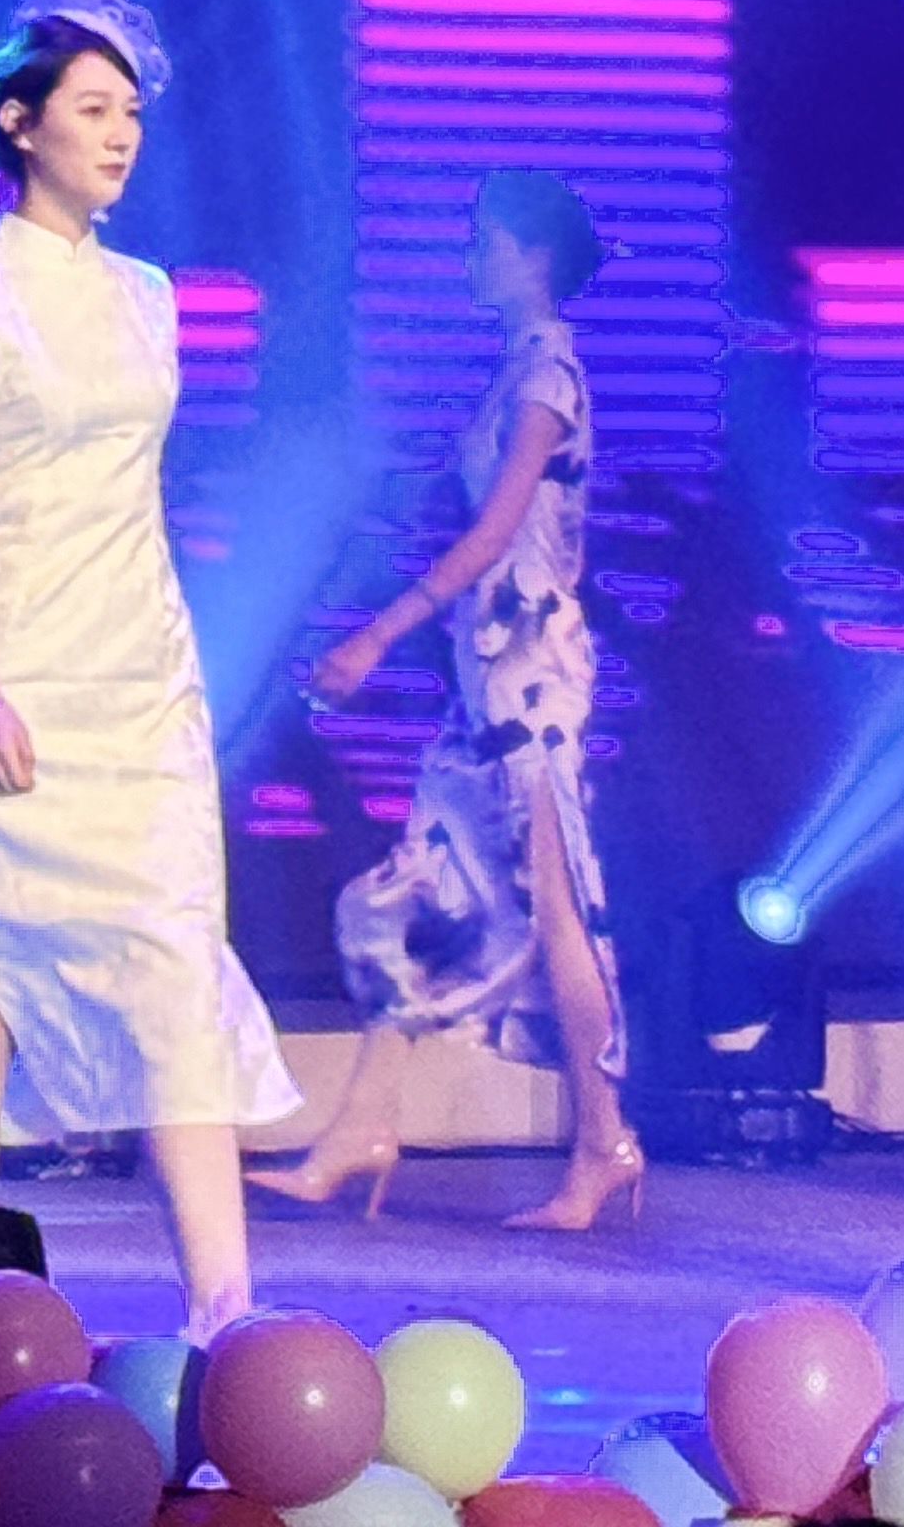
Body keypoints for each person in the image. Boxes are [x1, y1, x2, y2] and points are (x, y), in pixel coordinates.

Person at [0, 0, 296, 1339]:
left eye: (131, 111)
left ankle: (223, 1312)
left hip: (139, 680)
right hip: (10, 671)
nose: (121, 134)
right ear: (23, 124)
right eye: (91, 109)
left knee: (177, 971)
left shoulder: (148, 296)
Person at [260, 168, 643, 1232]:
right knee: (412, 895)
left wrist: (378, 633)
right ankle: (360, 1129)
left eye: (486, 240)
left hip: (532, 682)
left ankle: (603, 1142)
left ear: (531, 253)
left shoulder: (548, 370)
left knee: (561, 918)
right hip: (489, 681)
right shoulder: (520, 366)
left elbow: (494, 535)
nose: (472, 257)